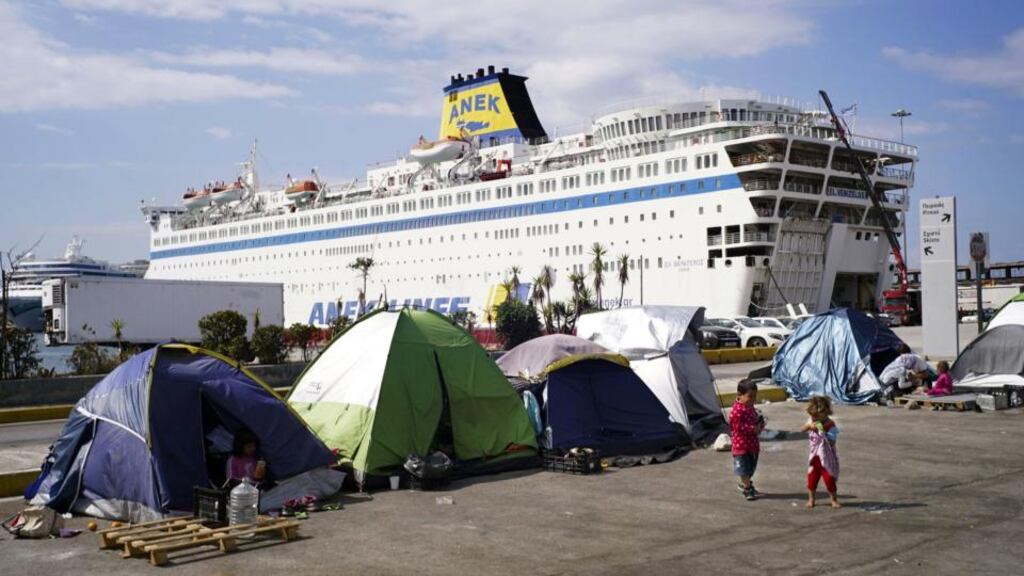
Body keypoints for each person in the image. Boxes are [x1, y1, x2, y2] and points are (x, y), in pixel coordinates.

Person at [801, 396, 841, 508]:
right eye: (812, 416)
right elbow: (802, 428)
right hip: (814, 457)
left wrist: (823, 432)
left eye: (816, 415)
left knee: (829, 479)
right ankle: (811, 499)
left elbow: (832, 442)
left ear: (825, 412)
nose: (814, 418)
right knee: (811, 479)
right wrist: (809, 426)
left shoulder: (830, 425)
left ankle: (834, 499)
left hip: (826, 457)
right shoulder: (812, 421)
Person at [730, 380, 764, 501]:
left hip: (752, 444)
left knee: (751, 468)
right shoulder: (736, 411)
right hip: (741, 446)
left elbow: (754, 420)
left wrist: (760, 424)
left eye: (755, 396)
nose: (753, 399)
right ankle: (747, 488)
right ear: (740, 395)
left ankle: (746, 483)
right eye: (750, 396)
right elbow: (737, 427)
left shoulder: (750, 407)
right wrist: (753, 429)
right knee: (743, 468)